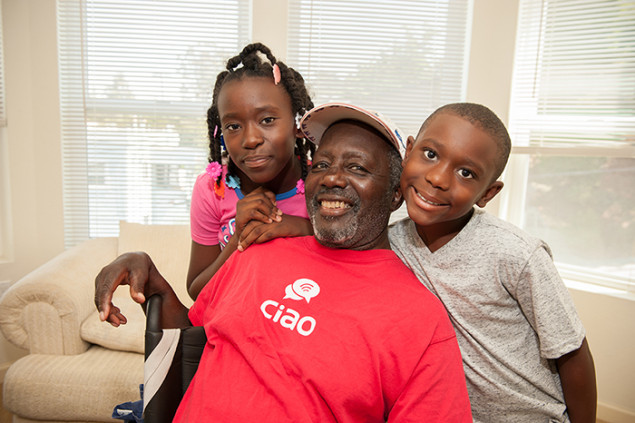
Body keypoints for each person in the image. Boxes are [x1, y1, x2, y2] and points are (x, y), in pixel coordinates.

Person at [95, 103, 473, 422]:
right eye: (322, 165)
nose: (332, 178)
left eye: (357, 168)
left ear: (395, 196)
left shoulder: (420, 319)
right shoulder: (260, 249)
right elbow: (193, 339)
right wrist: (152, 276)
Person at [388, 102, 597, 422]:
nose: (438, 178)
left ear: (488, 193)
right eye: (430, 154)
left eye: (466, 173)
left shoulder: (516, 254)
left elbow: (572, 352)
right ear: (409, 151)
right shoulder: (389, 244)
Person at [187, 42, 315, 300]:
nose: (251, 139)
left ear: (298, 124)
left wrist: (303, 229)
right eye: (233, 126)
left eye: (267, 120)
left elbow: (350, 276)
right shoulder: (213, 189)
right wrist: (239, 239)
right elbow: (197, 292)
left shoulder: (322, 184)